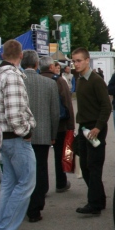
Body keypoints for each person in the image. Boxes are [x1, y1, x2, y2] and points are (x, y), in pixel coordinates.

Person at [0, 39, 35, 230]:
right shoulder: (12, 76)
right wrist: (26, 131)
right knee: (26, 183)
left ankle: (4, 227)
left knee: (9, 183)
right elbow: (15, 113)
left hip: (0, 137)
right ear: (20, 56)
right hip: (15, 138)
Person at [21, 51, 60, 223]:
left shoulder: (18, 82)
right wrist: (53, 135)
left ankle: (22, 206)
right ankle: (36, 209)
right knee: (41, 169)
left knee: (22, 172)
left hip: (21, 134)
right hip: (43, 134)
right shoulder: (49, 83)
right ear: (37, 64)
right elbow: (55, 113)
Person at [71, 47, 111, 216]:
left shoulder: (96, 80)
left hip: (95, 128)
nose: (76, 64)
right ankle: (99, 199)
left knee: (93, 166)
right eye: (74, 61)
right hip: (84, 127)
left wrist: (98, 127)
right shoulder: (80, 79)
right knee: (84, 165)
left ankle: (94, 204)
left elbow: (106, 105)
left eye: (79, 60)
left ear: (87, 60)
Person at [42, 58, 74, 193]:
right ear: (50, 67)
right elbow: (67, 103)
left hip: (42, 125)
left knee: (41, 158)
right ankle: (61, 183)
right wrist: (71, 125)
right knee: (60, 154)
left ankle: (42, 187)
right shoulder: (58, 80)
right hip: (60, 125)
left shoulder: (35, 80)